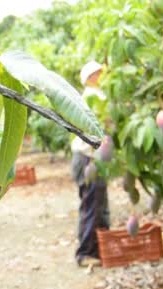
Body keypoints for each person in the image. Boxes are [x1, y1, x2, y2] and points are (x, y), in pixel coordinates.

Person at [71, 61, 110, 267]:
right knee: (91, 206)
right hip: (89, 159)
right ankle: (85, 253)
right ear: (91, 77)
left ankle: (101, 248)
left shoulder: (96, 96)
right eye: (100, 73)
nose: (104, 75)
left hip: (92, 159)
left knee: (99, 205)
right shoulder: (92, 98)